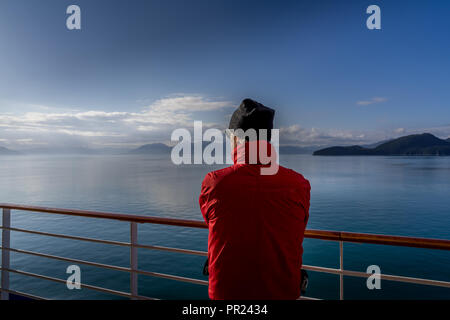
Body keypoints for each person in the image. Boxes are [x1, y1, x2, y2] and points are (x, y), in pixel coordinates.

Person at [199, 98, 311, 300]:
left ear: (234, 138)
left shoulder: (214, 183)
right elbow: (299, 225)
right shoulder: (299, 184)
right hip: (282, 291)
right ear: (267, 140)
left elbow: (212, 221)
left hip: (227, 293)